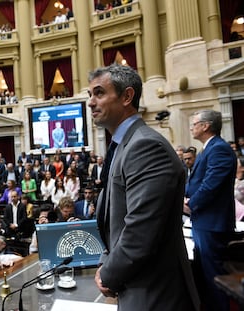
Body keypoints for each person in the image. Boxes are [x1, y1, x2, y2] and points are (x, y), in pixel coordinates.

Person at [88, 64, 200, 310]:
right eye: (90, 95)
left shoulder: (146, 146)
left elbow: (140, 233)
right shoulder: (123, 145)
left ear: (127, 96)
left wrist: (108, 274)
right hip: (136, 285)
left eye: (99, 93)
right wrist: (105, 262)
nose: (91, 102)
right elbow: (114, 221)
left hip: (155, 292)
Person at [184, 110, 236, 311]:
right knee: (206, 274)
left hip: (212, 224)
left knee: (214, 277)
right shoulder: (209, 148)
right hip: (205, 222)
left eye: (194, 123)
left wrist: (190, 204)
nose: (191, 127)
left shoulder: (219, 149)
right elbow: (197, 183)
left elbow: (211, 185)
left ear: (205, 126)